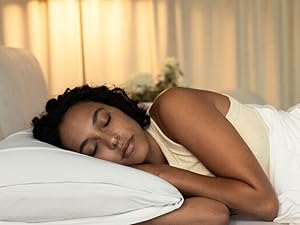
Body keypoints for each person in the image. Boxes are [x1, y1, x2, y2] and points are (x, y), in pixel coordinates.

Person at [31, 85, 300, 225]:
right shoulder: (137, 184)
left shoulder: (173, 107)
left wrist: (160, 172)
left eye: (106, 120)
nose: (112, 140)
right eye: (93, 149)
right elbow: (212, 214)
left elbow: (263, 204)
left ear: (120, 108)